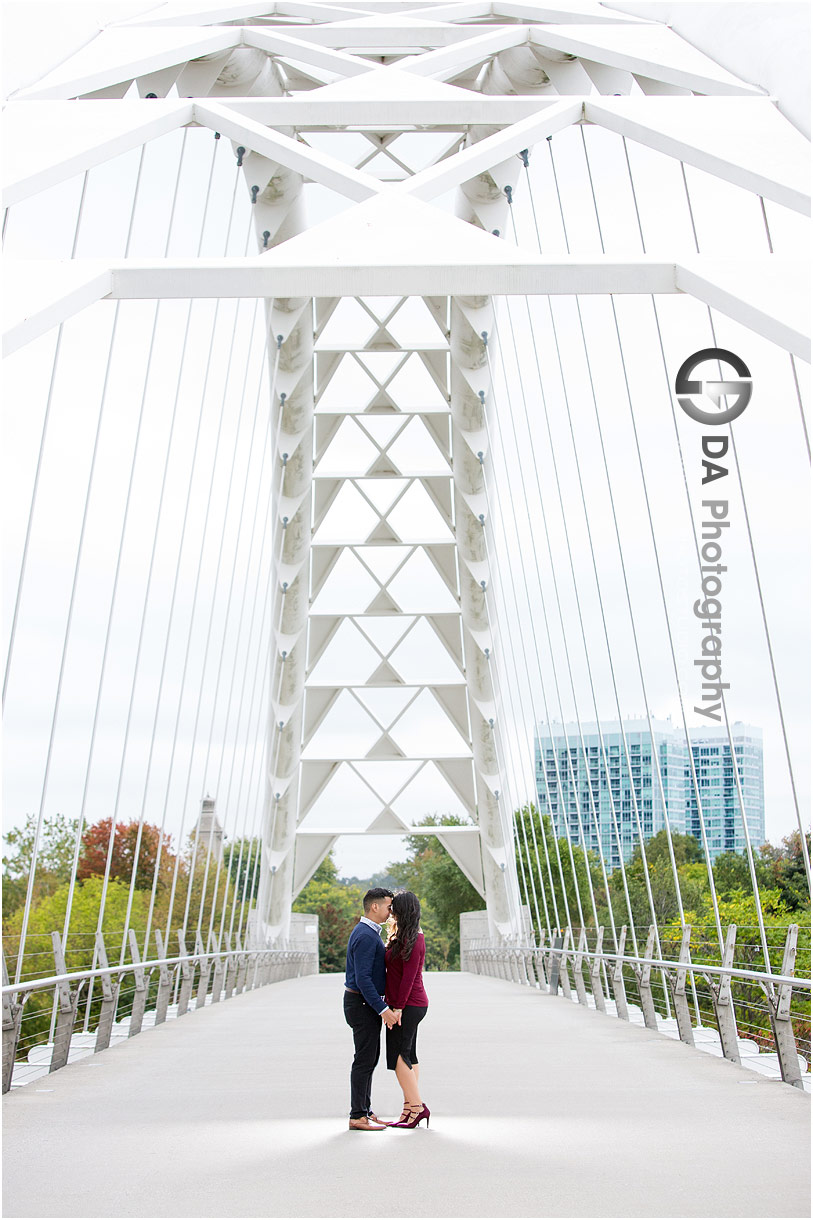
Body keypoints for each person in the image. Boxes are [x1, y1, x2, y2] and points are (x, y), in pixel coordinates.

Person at [343, 887, 401, 1132]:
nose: (391, 911)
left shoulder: (366, 931)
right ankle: (357, 1115)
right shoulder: (366, 935)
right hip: (362, 1004)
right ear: (374, 907)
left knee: (369, 1058)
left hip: (363, 1003)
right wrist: (383, 1009)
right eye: (389, 906)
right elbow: (363, 979)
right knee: (364, 1060)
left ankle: (365, 1110)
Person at [384, 890, 430, 1129]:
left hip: (409, 1004)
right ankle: (409, 1109)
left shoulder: (416, 939)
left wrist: (398, 1008)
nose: (390, 912)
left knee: (398, 1055)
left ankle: (418, 1107)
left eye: (393, 908)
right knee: (409, 1054)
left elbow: (409, 978)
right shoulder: (405, 935)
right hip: (410, 1003)